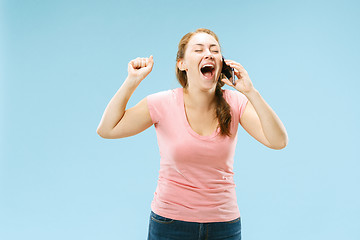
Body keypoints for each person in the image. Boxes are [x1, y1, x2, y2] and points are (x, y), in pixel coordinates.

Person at [96, 28, 288, 240]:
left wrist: (251, 91)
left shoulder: (235, 103)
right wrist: (133, 80)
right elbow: (108, 129)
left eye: (214, 50)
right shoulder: (162, 103)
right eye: (198, 50)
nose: (208, 54)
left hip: (224, 226)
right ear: (182, 64)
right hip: (169, 224)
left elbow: (278, 141)